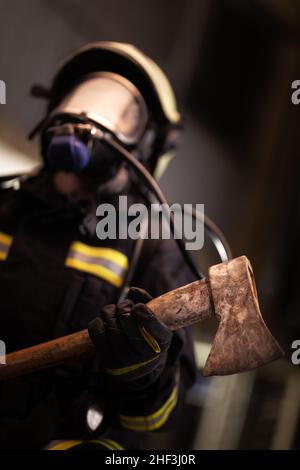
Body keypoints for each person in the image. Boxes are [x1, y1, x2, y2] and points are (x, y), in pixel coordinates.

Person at [0, 41, 197, 450]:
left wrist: (144, 371)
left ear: (145, 143)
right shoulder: (6, 205)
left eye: (122, 111)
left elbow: (159, 419)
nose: (85, 114)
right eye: (82, 93)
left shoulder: (152, 245)